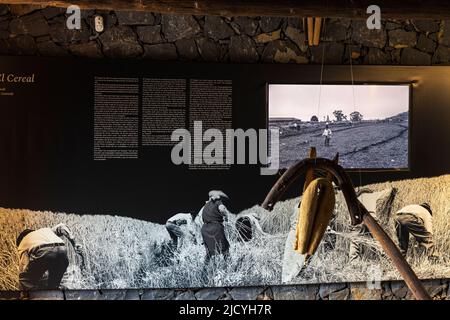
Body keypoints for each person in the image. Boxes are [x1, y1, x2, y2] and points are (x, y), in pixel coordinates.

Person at [16, 223, 83, 291]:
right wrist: (74, 243)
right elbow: (62, 227)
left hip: (45, 251)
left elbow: (23, 266)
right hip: (62, 250)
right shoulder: (46, 230)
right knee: (53, 286)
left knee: (24, 279)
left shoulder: (23, 242)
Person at [201, 190, 232, 264]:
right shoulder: (219, 202)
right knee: (225, 248)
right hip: (215, 227)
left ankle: (205, 267)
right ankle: (229, 265)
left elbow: (203, 217)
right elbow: (222, 209)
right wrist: (226, 216)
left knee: (209, 251)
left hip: (205, 229)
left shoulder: (205, 205)